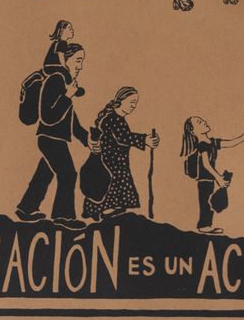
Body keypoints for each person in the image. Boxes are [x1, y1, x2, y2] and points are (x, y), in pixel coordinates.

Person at [16, 47, 90, 226]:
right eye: (77, 60)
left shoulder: (64, 82)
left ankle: (26, 208)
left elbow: (71, 120)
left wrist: (86, 139)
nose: (80, 66)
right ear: (65, 60)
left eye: (82, 61)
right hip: (50, 139)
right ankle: (63, 216)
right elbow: (47, 117)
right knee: (68, 174)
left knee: (44, 173)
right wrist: (67, 96)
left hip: (54, 138)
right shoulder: (55, 80)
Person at [82, 87, 157, 220]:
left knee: (112, 187)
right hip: (111, 162)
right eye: (131, 102)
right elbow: (123, 137)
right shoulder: (114, 119)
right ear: (121, 100)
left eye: (135, 103)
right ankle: (103, 211)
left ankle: (98, 210)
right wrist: (144, 140)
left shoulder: (116, 118)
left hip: (116, 161)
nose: (134, 106)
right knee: (110, 186)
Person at [181, 116, 244, 234]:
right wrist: (218, 177)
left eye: (202, 120)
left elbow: (229, 143)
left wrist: (243, 138)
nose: (204, 122)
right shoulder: (202, 145)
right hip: (204, 179)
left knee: (209, 201)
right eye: (199, 122)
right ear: (192, 131)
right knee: (206, 202)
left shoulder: (212, 142)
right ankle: (204, 225)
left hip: (210, 178)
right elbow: (206, 164)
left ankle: (207, 224)